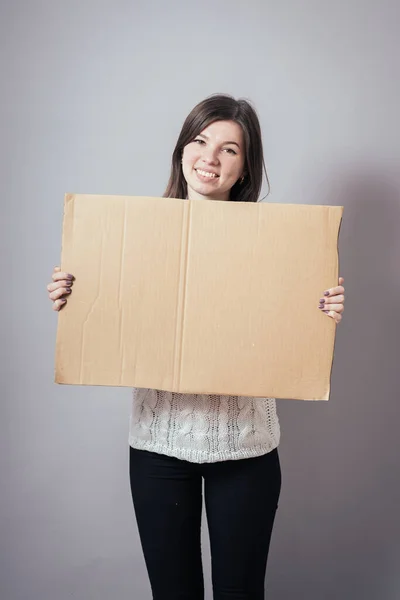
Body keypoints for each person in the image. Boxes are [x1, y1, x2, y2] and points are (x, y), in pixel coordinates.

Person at [47, 94, 345, 599]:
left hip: (246, 447)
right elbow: (110, 316)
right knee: (173, 593)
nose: (211, 157)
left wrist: (322, 310)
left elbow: (289, 329)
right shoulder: (129, 236)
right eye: (201, 140)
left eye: (230, 149)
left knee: (240, 591)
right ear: (182, 149)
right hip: (158, 446)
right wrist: (74, 296)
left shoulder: (276, 245)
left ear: (245, 166)